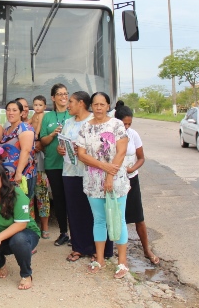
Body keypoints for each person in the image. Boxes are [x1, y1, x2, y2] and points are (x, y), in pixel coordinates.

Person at [77, 92, 130, 279]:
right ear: (91, 106)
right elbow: (81, 154)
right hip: (93, 181)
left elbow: (121, 151)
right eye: (95, 104)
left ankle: (122, 262)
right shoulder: (85, 127)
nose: (99, 108)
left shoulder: (116, 125)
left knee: (118, 218)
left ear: (108, 106)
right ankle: (99, 259)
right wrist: (102, 166)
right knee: (99, 220)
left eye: (102, 104)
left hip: (115, 180)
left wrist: (109, 175)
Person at [57, 91, 113, 262]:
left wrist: (82, 151)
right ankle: (79, 247)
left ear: (81, 103)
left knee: (96, 212)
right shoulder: (68, 122)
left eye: (71, 102)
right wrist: (60, 149)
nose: (68, 105)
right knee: (75, 211)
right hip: (70, 171)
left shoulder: (93, 122)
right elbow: (62, 143)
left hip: (91, 172)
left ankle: (100, 249)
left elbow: (104, 148)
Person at [0, 162, 40, 290]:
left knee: (18, 240)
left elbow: (21, 224)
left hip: (25, 233)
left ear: (2, 177)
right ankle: (1, 264)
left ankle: (26, 274)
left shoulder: (17, 194)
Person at [115, 101, 160, 265]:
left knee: (138, 217)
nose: (126, 126)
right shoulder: (110, 134)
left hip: (131, 179)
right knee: (115, 216)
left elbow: (141, 158)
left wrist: (131, 168)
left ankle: (147, 250)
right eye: (124, 123)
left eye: (129, 124)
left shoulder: (133, 134)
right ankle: (118, 253)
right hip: (114, 181)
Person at [39, 83, 72, 246]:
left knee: (73, 199)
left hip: (72, 165)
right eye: (59, 94)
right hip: (53, 164)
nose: (63, 96)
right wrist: (53, 134)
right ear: (53, 97)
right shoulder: (48, 117)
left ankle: (76, 234)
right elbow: (42, 141)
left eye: (65, 93)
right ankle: (63, 232)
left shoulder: (73, 115)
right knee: (59, 200)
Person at [0, 100, 36, 198]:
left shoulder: (24, 127)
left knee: (20, 206)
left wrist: (19, 173)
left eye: (14, 110)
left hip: (22, 175)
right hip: (7, 176)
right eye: (8, 110)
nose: (11, 113)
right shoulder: (7, 130)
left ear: (21, 113)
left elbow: (26, 150)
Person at [31, 95, 50, 237]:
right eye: (35, 105)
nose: (37, 107)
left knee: (42, 197)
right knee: (28, 199)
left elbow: (37, 130)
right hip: (28, 168)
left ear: (45, 106)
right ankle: (31, 228)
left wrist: (35, 137)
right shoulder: (32, 116)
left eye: (40, 105)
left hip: (40, 166)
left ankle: (45, 228)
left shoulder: (43, 116)